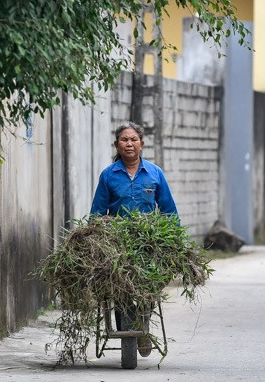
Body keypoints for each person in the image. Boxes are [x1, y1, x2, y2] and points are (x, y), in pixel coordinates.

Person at [90, 121, 178, 357]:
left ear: (142, 143)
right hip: (117, 244)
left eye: (133, 139)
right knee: (118, 286)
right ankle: (131, 330)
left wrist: (174, 242)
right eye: (124, 140)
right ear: (117, 145)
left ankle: (143, 318)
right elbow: (97, 212)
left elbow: (169, 210)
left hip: (148, 243)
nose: (129, 144)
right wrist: (93, 240)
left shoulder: (155, 173)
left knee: (155, 280)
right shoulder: (108, 175)